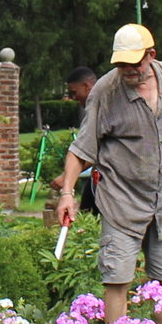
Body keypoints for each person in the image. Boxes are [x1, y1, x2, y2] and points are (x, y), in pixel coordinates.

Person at [54, 25, 162, 324]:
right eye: (121, 64)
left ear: (151, 55)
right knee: (117, 277)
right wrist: (67, 193)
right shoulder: (105, 90)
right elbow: (81, 149)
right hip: (121, 202)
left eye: (134, 63)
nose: (127, 70)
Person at [62, 65, 101, 216]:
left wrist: (66, 179)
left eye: (74, 92)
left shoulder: (101, 106)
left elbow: (92, 150)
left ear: (86, 86)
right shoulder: (93, 106)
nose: (74, 97)